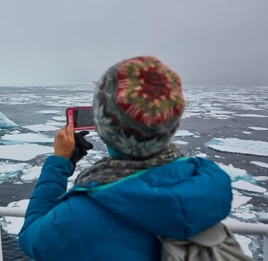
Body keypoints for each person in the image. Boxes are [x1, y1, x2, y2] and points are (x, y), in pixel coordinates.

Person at [18, 56, 233, 261]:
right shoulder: (204, 184)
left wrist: (59, 163)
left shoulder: (81, 215)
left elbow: (31, 239)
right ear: (171, 124)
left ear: (104, 127)